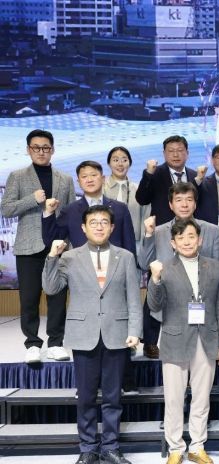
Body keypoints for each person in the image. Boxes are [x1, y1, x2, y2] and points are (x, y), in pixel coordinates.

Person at [42, 205, 142, 464]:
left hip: (117, 334)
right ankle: (87, 448)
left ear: (112, 227)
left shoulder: (125, 257)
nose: (99, 226)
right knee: (85, 397)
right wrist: (52, 256)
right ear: (83, 228)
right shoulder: (69, 257)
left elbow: (134, 298)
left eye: (104, 222)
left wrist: (135, 331)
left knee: (113, 397)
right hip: (83, 334)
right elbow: (51, 288)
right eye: (93, 222)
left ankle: (110, 447)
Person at [147, 218, 219, 464]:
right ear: (173, 243)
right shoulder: (163, 268)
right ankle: (175, 448)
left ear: (200, 240)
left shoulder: (215, 267)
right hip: (174, 340)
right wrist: (155, 280)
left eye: (191, 236)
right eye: (180, 238)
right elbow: (154, 305)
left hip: (207, 339)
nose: (186, 241)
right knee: (173, 399)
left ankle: (197, 446)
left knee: (201, 398)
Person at [1, 129, 76, 363]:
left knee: (58, 297)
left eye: (45, 147)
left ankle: (56, 343)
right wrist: (32, 199)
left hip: (58, 246)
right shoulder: (17, 176)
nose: (41, 152)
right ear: (28, 150)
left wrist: (69, 244)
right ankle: (32, 343)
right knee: (29, 298)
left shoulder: (65, 178)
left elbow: (71, 213)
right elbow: (6, 209)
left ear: (52, 150)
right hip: (28, 246)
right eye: (36, 147)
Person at [139, 182, 219, 360]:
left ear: (195, 204)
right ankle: (150, 343)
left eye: (189, 200)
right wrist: (148, 235)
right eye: (178, 200)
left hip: (199, 298)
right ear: (170, 205)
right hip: (167, 297)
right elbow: (145, 264)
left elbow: (217, 266)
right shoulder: (158, 231)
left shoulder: (211, 230)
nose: (184, 204)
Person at [42, 160, 136, 257]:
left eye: (93, 175)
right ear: (79, 182)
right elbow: (51, 240)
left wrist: (131, 264)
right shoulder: (70, 211)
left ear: (103, 179)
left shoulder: (120, 208)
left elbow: (129, 244)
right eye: (84, 176)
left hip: (116, 263)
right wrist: (48, 213)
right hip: (82, 264)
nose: (89, 180)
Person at [135, 135, 197, 226]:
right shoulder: (154, 174)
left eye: (180, 150)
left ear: (187, 153)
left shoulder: (195, 176)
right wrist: (148, 174)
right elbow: (142, 200)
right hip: (162, 229)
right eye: (171, 151)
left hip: (191, 229)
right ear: (164, 154)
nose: (175, 155)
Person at [104, 146, 151, 260]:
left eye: (124, 160)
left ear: (130, 163)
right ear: (109, 163)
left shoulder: (139, 189)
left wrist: (143, 247)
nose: (120, 164)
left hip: (133, 244)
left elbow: (145, 219)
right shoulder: (101, 189)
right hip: (105, 243)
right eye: (115, 160)